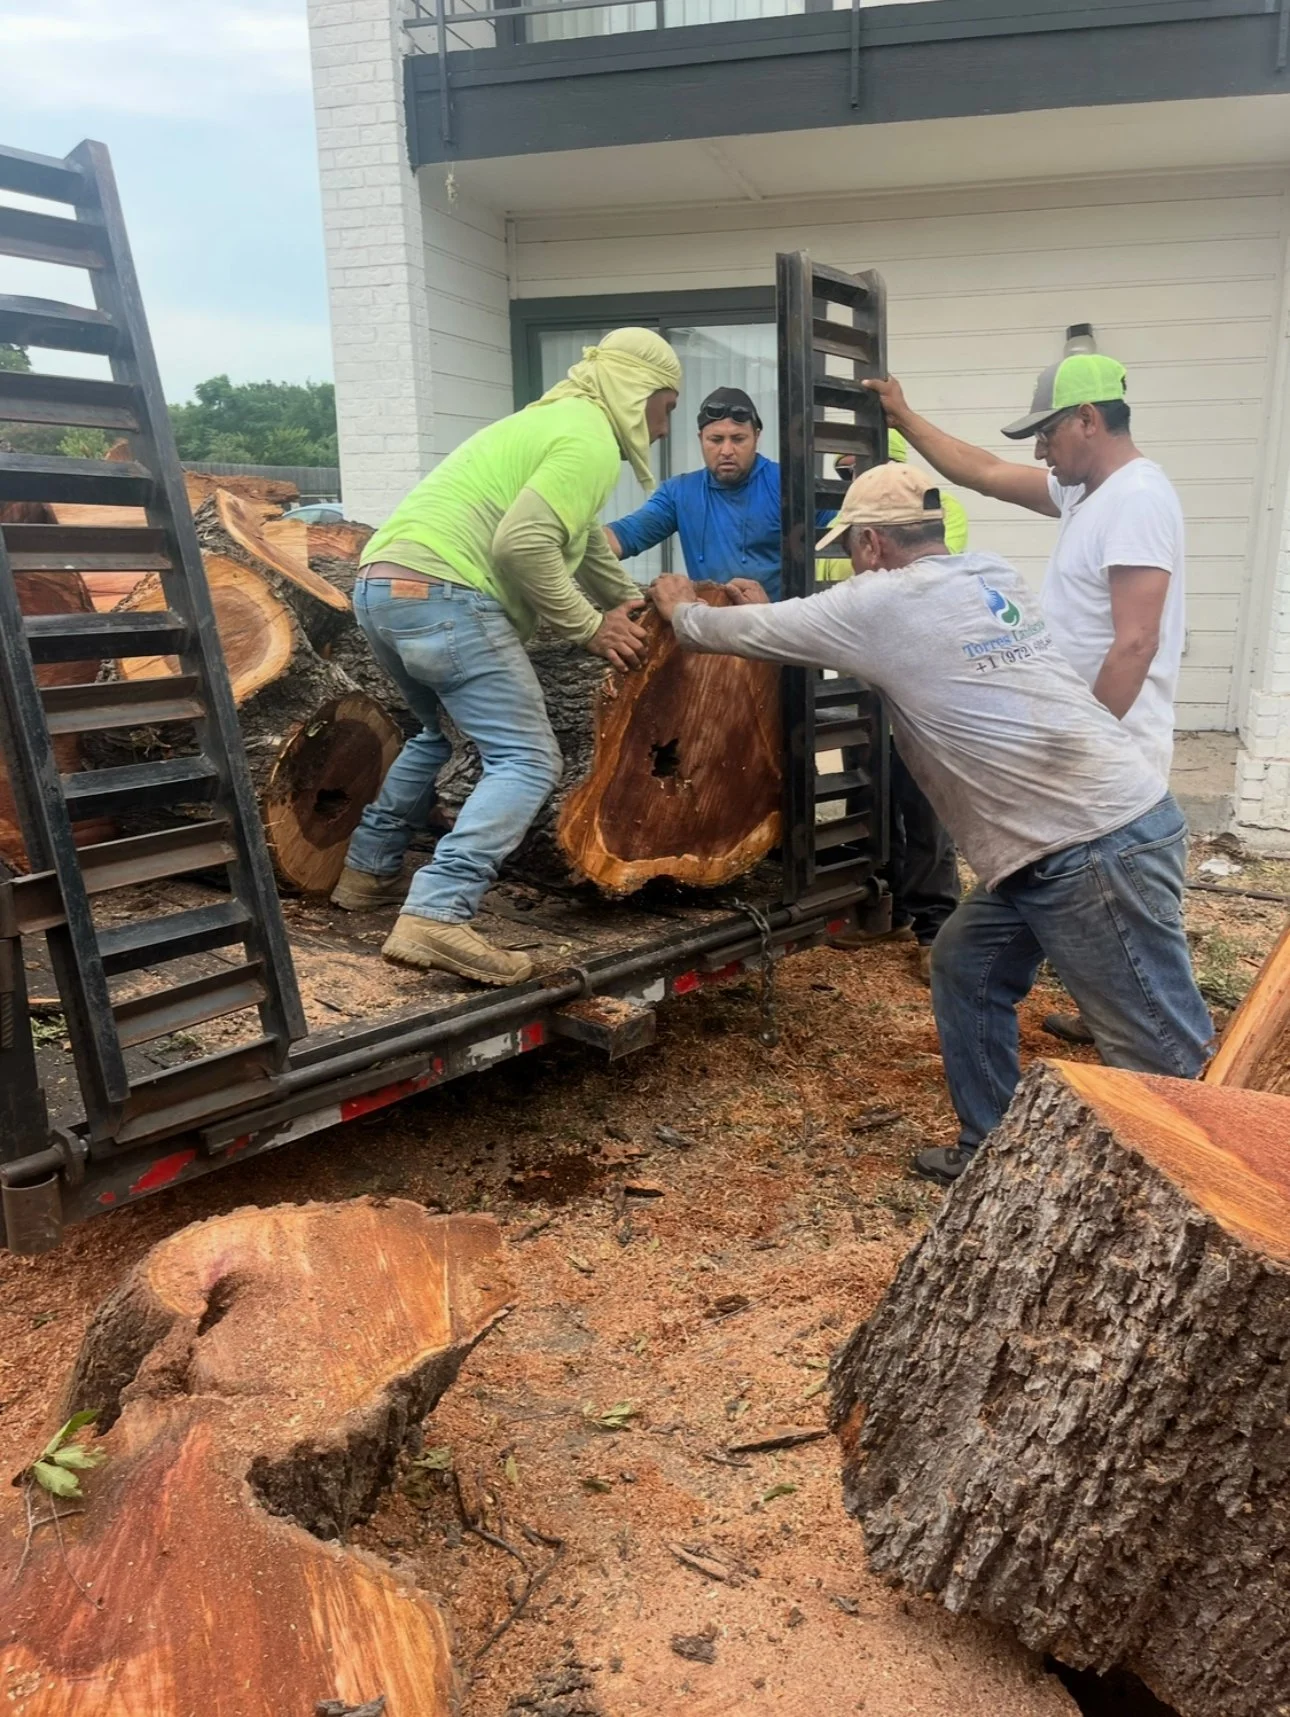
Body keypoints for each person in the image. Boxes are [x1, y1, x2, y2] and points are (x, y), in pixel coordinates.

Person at [650, 463, 1212, 1186]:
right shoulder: (989, 575)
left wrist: (678, 609)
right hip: (1078, 833)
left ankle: (1200, 1193)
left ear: (875, 544)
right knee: (966, 966)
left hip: (1089, 846)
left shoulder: (879, 604)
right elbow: (850, 624)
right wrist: (786, 608)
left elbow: (760, 629)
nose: (854, 562)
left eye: (853, 548)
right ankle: (993, 1155)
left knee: (1161, 1048)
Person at [331, 328, 682, 987]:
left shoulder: (551, 423)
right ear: (638, 394)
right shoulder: (588, 438)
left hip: (382, 587)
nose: (663, 429)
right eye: (665, 408)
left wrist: (631, 599)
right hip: (446, 594)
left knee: (439, 733)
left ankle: (366, 872)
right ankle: (437, 911)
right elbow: (521, 546)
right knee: (527, 758)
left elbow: (581, 542)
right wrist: (589, 627)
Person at [865, 349, 1186, 1042]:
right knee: (1065, 914)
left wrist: (1081, 746)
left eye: (1048, 431)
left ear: (1089, 419)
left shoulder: (1137, 500)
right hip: (1078, 754)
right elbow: (980, 471)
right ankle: (1114, 1010)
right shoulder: (1086, 492)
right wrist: (904, 416)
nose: (1040, 447)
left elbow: (1135, 642)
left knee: (1120, 906)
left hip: (1104, 761)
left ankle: (1150, 1042)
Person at [830, 432, 969, 976]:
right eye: (841, 475)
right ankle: (884, 909)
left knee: (925, 809)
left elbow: (909, 587)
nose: (849, 484)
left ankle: (936, 927)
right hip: (859, 686)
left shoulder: (936, 512)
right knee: (871, 801)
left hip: (919, 688)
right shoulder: (840, 523)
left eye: (856, 472)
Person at [605, 386, 783, 598]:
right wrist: (565, 540)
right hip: (710, 624)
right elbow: (623, 536)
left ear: (756, 437)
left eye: (738, 439)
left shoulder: (787, 484)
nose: (726, 451)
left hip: (777, 624)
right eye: (715, 440)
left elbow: (831, 541)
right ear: (701, 439)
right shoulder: (679, 493)